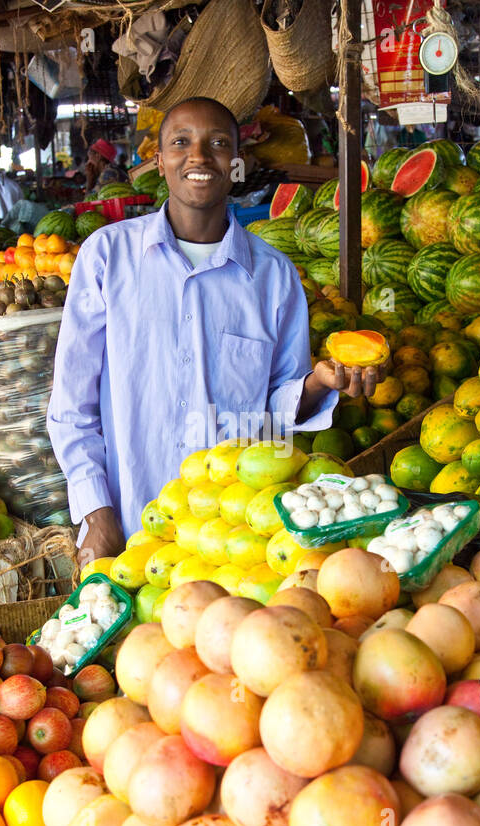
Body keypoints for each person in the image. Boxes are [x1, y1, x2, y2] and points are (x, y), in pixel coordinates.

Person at [47, 97, 381, 565]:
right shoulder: (107, 257)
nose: (199, 156)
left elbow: (272, 412)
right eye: (181, 143)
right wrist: (96, 513)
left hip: (228, 542)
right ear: (159, 162)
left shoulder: (274, 277)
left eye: (218, 144)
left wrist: (317, 385)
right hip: (128, 525)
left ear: (236, 164)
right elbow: (71, 408)